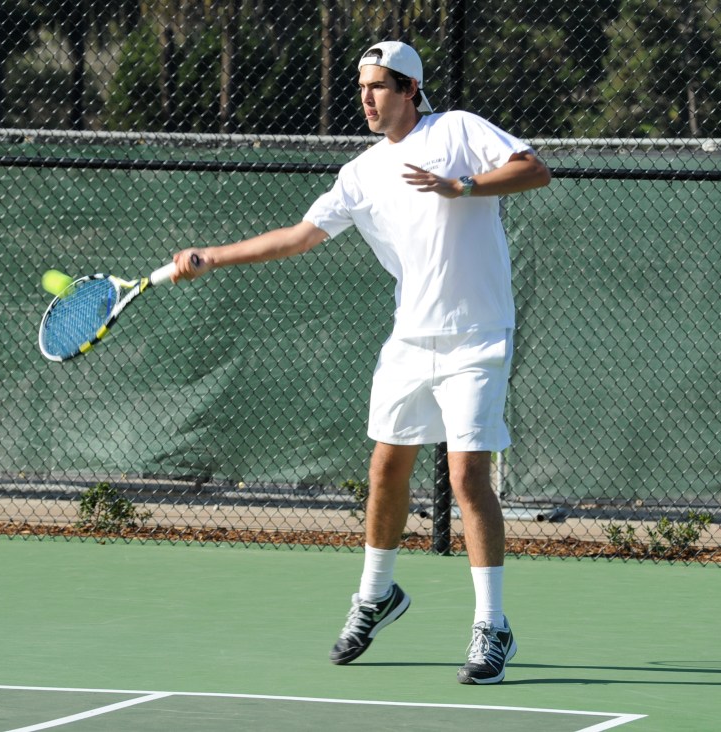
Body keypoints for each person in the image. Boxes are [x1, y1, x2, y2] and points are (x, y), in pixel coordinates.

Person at [172, 40, 551, 685]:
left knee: (467, 480)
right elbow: (298, 237)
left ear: (409, 89)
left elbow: (535, 169)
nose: (368, 99)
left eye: (379, 86)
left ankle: (494, 626)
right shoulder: (361, 173)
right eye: (361, 88)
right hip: (410, 338)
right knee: (385, 468)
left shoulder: (456, 130)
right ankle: (377, 596)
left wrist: (463, 186)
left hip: (477, 335)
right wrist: (215, 255)